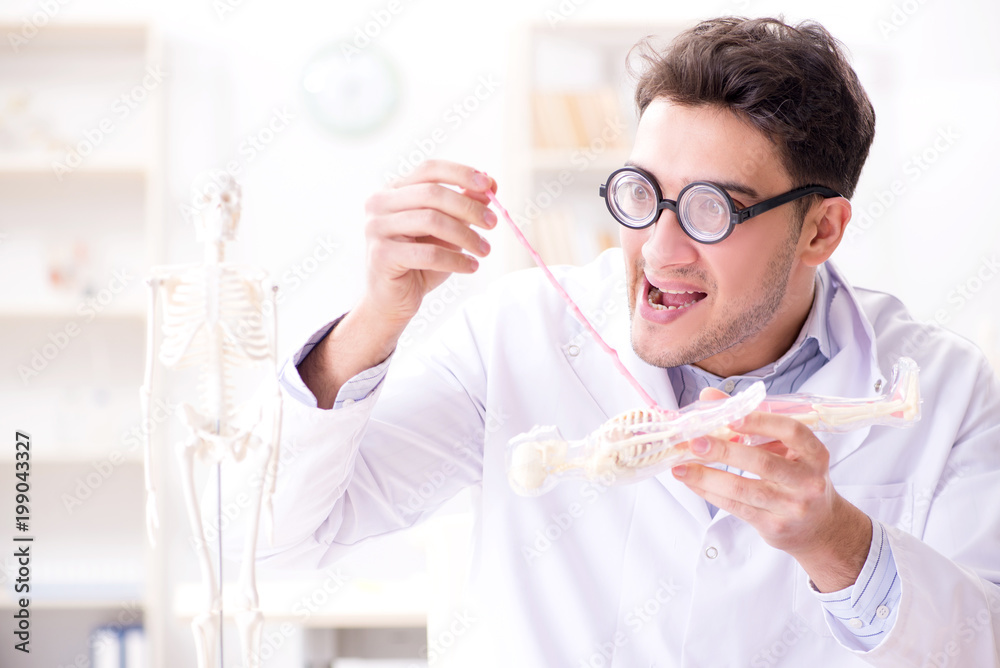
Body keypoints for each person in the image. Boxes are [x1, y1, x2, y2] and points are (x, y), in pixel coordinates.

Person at [260, 17, 1000, 666]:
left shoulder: (946, 388)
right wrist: (376, 318)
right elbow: (276, 542)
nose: (659, 249)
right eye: (642, 194)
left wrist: (838, 544)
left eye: (712, 208)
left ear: (820, 230)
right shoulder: (516, 335)